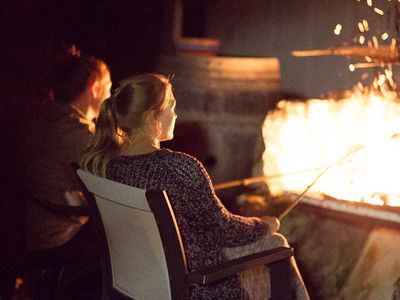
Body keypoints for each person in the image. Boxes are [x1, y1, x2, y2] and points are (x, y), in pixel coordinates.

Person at [80, 73, 309, 299]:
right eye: (172, 108)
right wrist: (264, 224)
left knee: (273, 243)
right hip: (197, 285)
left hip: (141, 280)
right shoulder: (179, 168)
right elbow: (224, 230)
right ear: (153, 117)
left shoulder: (108, 167)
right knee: (277, 244)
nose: (176, 115)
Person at [19, 54, 112, 263]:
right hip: (60, 236)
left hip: (37, 228)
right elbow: (116, 173)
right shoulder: (73, 130)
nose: (109, 96)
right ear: (94, 86)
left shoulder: (44, 115)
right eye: (108, 87)